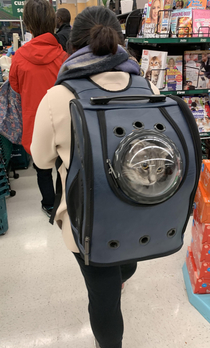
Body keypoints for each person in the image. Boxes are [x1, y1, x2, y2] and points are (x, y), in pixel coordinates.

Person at [31, 6, 159, 348]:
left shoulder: (59, 96)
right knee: (125, 264)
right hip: (138, 204)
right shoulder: (144, 84)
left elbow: (41, 158)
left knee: (102, 294)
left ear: (73, 46)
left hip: (87, 216)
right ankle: (121, 275)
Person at [9, 0, 67, 217]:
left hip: (35, 121)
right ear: (53, 22)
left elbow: (15, 86)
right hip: (62, 121)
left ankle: (49, 204)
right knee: (64, 164)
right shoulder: (63, 56)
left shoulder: (20, 57)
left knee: (42, 167)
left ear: (28, 24)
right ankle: (66, 201)